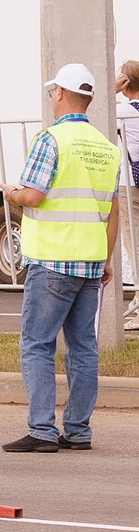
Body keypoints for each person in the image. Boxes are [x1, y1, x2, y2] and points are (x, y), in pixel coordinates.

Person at [2, 63, 124, 453]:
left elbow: (33, 195)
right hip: (90, 262)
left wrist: (11, 193)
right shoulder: (107, 148)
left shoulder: (50, 140)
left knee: (37, 344)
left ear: (59, 94)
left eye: (52, 91)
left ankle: (41, 430)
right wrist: (106, 260)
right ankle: (78, 431)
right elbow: (113, 211)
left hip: (52, 260)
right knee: (83, 348)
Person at [120, 63, 139, 334]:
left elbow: (95, 109)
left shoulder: (122, 111)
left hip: (130, 183)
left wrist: (111, 89)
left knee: (134, 245)